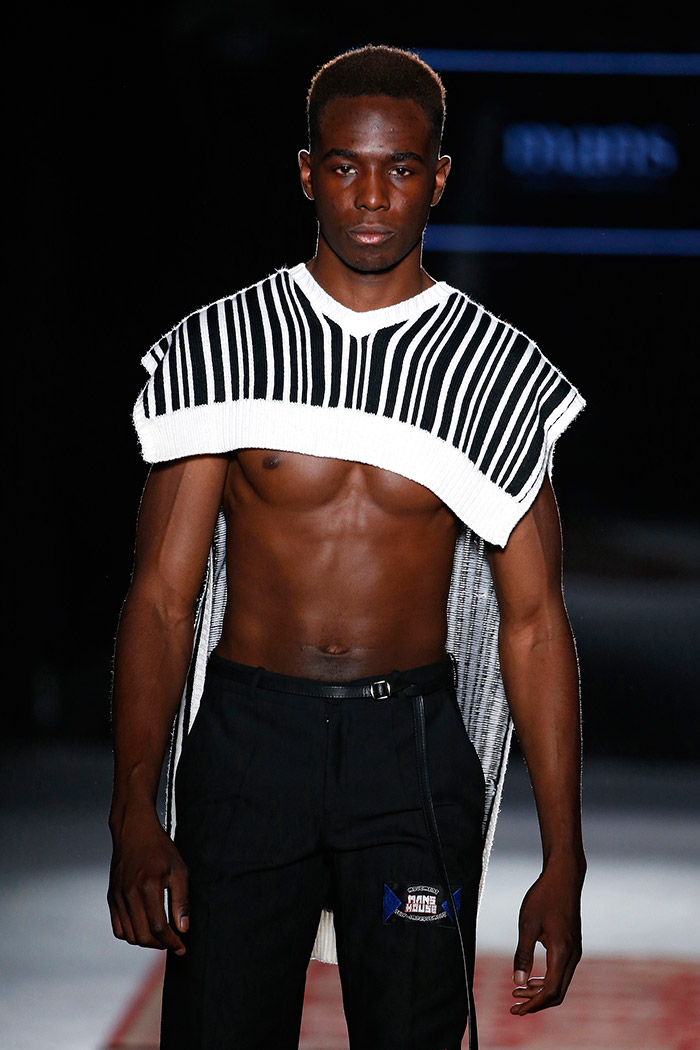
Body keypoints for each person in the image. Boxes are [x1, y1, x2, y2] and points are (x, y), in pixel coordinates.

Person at [108, 44, 586, 1050]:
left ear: (438, 178)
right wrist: (133, 814)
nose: (371, 197)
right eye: (344, 167)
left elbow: (535, 624)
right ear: (306, 173)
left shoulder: (493, 372)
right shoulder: (222, 347)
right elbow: (161, 597)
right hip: (249, 746)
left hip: (407, 755)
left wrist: (563, 858)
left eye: (400, 168)